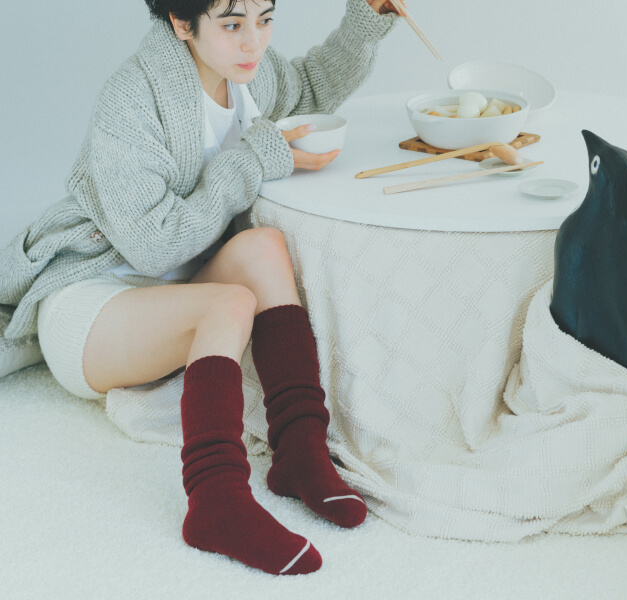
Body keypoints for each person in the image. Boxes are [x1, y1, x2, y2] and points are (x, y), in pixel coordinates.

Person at [0, 0, 409, 576]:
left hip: (169, 294)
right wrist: (251, 161)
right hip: (90, 304)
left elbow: (311, 89)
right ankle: (215, 500)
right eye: (233, 24)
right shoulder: (131, 99)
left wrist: (365, 19)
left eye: (265, 19)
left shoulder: (248, 74)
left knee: (265, 247)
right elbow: (154, 246)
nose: (253, 42)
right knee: (230, 302)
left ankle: (299, 449)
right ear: (181, 22)